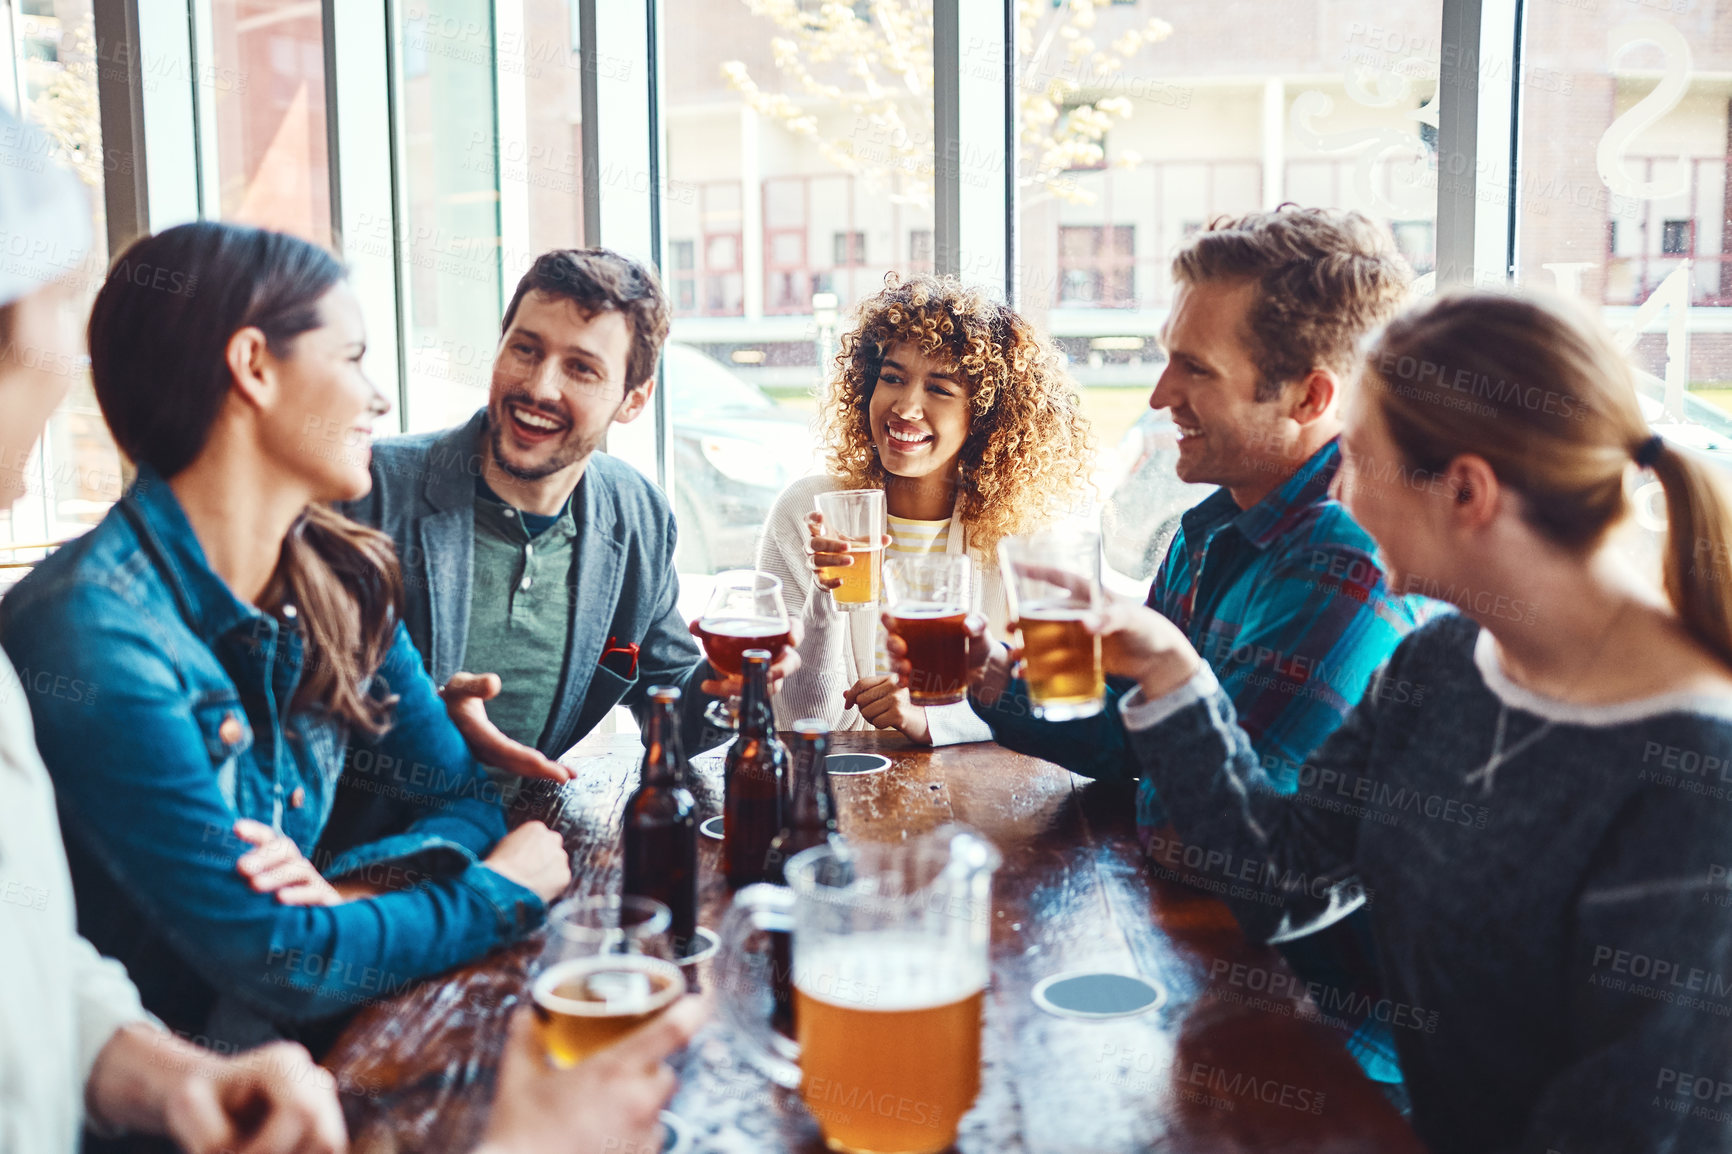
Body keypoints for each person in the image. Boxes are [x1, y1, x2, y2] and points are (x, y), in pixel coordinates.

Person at [1068, 291, 1732, 1151]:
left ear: (1465, 490)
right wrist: (1171, 675)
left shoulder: (1695, 785)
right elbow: (1285, 881)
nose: (1335, 489)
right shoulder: (1446, 662)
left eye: (1357, 459)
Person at [0, 220, 574, 1054]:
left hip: (294, 1067)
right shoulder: (89, 636)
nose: (377, 396)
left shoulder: (341, 577)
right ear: (254, 367)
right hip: (167, 1110)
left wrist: (348, 893)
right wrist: (495, 890)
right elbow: (283, 964)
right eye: (351, 358)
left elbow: (459, 797)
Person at [0, 111, 348, 1154]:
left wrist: (165, 1076)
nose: (75, 365)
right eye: (66, 302)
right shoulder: (82, 630)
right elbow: (269, 944)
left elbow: (25, 954)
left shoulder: (325, 570)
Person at [340, 248, 795, 795]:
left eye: (580, 368)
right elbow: (287, 701)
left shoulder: (637, 515)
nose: (539, 387)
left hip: (533, 830)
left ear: (633, 400)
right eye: (525, 350)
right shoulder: (371, 490)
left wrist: (721, 687)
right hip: (362, 850)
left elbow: (666, 709)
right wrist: (424, 725)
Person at [759, 274, 1093, 744]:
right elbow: (800, 718)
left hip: (977, 793)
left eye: (940, 389)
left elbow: (1060, 705)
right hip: (835, 786)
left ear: (985, 417)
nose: (906, 406)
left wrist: (928, 718)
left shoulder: (1027, 533)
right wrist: (825, 594)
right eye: (892, 378)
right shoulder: (806, 510)